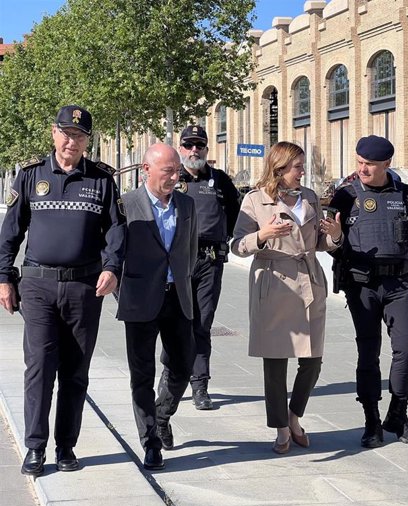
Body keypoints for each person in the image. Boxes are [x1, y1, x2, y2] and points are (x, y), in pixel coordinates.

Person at [0, 105, 126, 475]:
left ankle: (66, 446)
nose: (72, 142)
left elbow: (117, 230)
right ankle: (35, 447)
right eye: (66, 134)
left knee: (75, 370)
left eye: (80, 136)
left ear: (88, 141)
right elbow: (11, 231)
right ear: (53, 133)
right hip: (38, 286)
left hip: (84, 288)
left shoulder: (102, 180)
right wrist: (4, 277)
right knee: (39, 367)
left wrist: (112, 268)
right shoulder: (30, 175)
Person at [231, 141, 341, 454]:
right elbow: (237, 245)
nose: (302, 172)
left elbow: (320, 242)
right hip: (273, 282)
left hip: (308, 280)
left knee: (313, 359)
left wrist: (333, 235)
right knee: (275, 362)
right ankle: (281, 428)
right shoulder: (255, 200)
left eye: (302, 166)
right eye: (297, 167)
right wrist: (262, 236)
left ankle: (295, 416)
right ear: (279, 169)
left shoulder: (308, 197)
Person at [329, 135, 408, 448]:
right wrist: (336, 238)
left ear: (386, 164)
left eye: (369, 164)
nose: (362, 169)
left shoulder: (407, 195)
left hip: (398, 284)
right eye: (359, 162)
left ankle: (398, 412)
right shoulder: (344, 196)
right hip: (362, 285)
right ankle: (372, 419)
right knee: (368, 352)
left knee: (407, 348)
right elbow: (332, 247)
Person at [116, 143, 198, 470]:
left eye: (178, 170)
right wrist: (125, 291)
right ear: (146, 169)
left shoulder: (187, 204)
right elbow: (114, 254)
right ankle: (150, 442)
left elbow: (189, 251)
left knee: (183, 364)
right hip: (139, 299)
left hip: (177, 296)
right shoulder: (126, 205)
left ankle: (162, 415)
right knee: (142, 375)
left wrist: (182, 279)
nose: (175, 177)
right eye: (168, 171)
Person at [176, 125, 240, 410]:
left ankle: (200, 385)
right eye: (189, 145)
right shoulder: (169, 178)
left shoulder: (221, 181)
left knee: (202, 324)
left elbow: (237, 216)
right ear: (180, 149)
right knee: (176, 323)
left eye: (199, 145)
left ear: (206, 149)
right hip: (175, 262)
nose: (194, 151)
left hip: (209, 261)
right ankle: (173, 381)